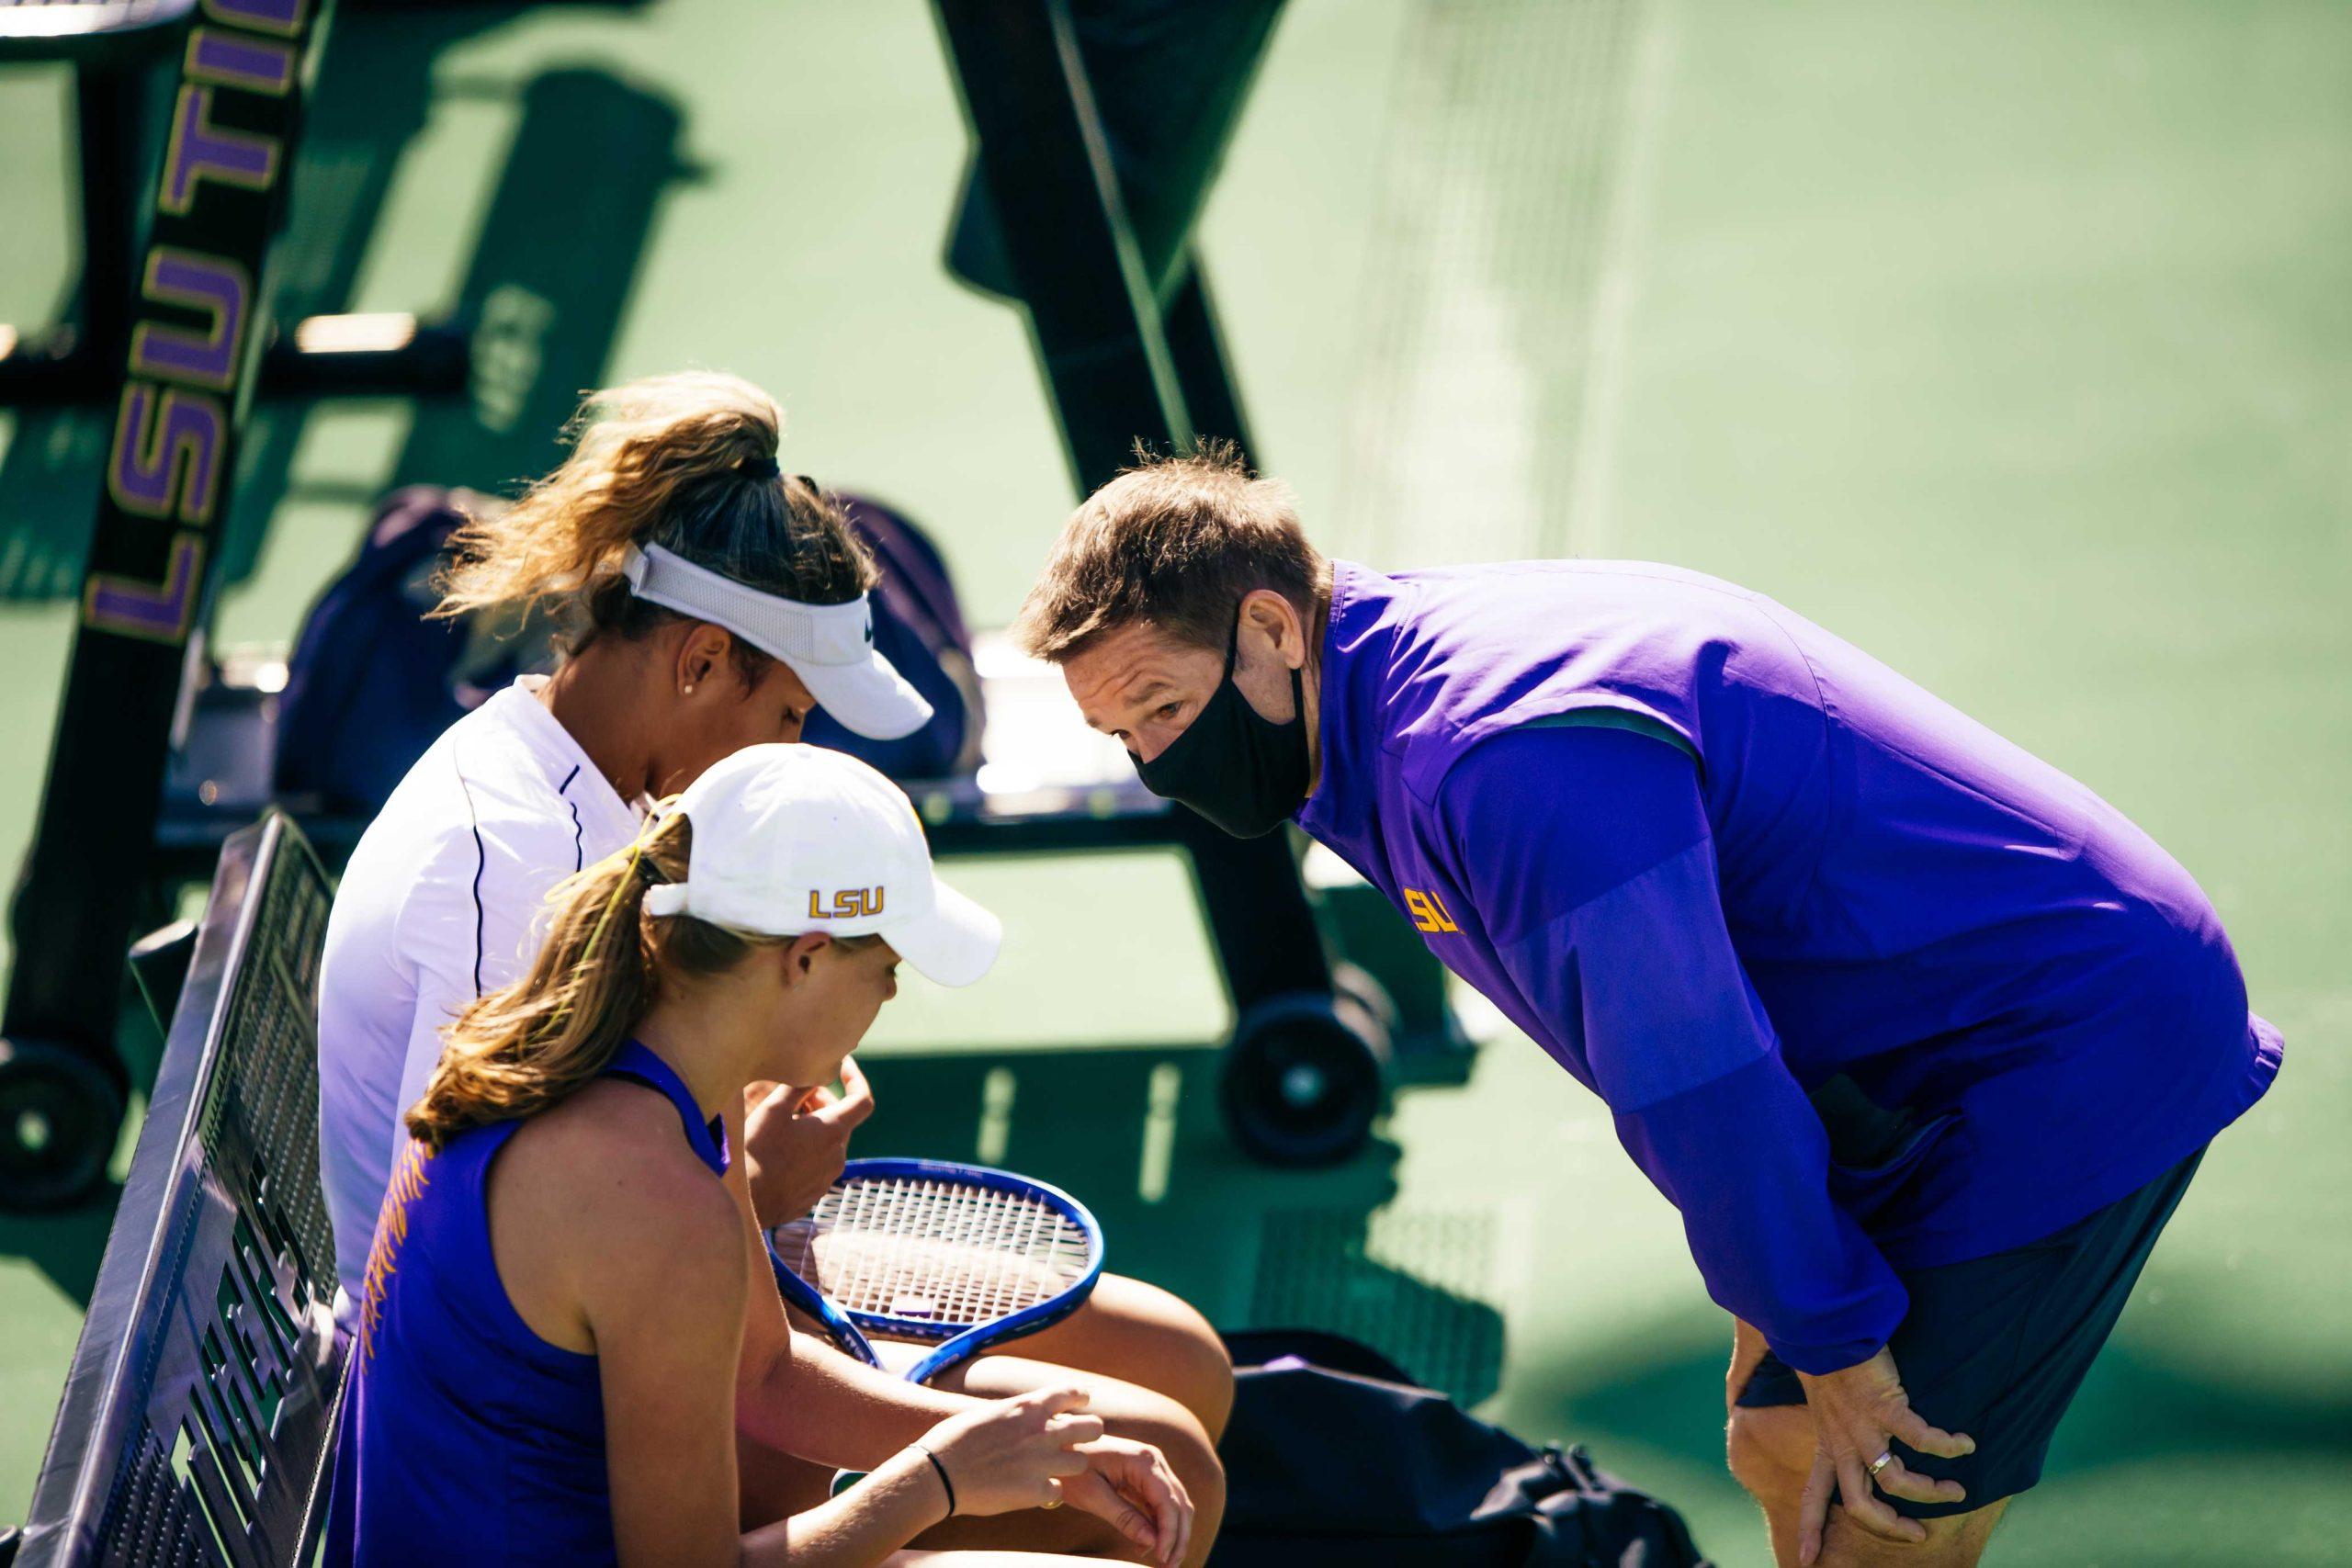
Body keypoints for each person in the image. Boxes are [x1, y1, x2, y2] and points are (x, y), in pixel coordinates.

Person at [1010, 446, 2282, 1568]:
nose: (1161, 765)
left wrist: (1831, 1334)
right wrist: (1787, 1315)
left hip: (2064, 1045)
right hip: (1901, 1053)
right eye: (1124, 737)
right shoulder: (1362, 710)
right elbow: (1701, 1028)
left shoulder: (1503, 756)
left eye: (1166, 709)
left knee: (1890, 1511)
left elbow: (1698, 1075)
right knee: (1783, 1441)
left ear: (1273, 630)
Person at [316, 373, 1227, 1559]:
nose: (794, 751)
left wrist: (743, 1171)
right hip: (562, 1393)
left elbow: (687, 1307)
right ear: (699, 663)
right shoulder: (506, 880)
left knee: (1175, 1393)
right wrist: (945, 1472)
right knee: (1150, 1484)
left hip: (608, 1314)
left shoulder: (631, 884)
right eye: (793, 715)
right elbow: (544, 1271)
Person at [334, 743, 1195, 1566]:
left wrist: (1037, 1450)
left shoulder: (585, 1054)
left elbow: (767, 1374)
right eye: (888, 966)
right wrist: (938, 1477)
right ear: (807, 959)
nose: (892, 994)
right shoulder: (663, 1208)